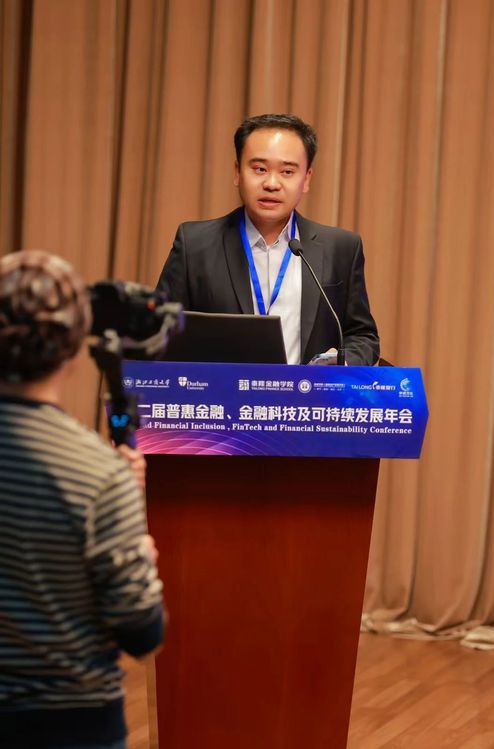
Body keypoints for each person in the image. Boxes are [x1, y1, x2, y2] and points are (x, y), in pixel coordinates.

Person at [0, 250, 165, 749]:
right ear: (73, 350)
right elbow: (141, 632)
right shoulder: (98, 475)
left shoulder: (103, 476)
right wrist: (138, 555)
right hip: (71, 724)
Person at [157, 113, 379, 365]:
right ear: (237, 172)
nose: (272, 183)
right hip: (223, 389)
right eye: (260, 169)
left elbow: (363, 335)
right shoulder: (195, 245)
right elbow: (158, 332)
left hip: (306, 390)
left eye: (287, 171)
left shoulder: (340, 248)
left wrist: (339, 363)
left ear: (306, 179)